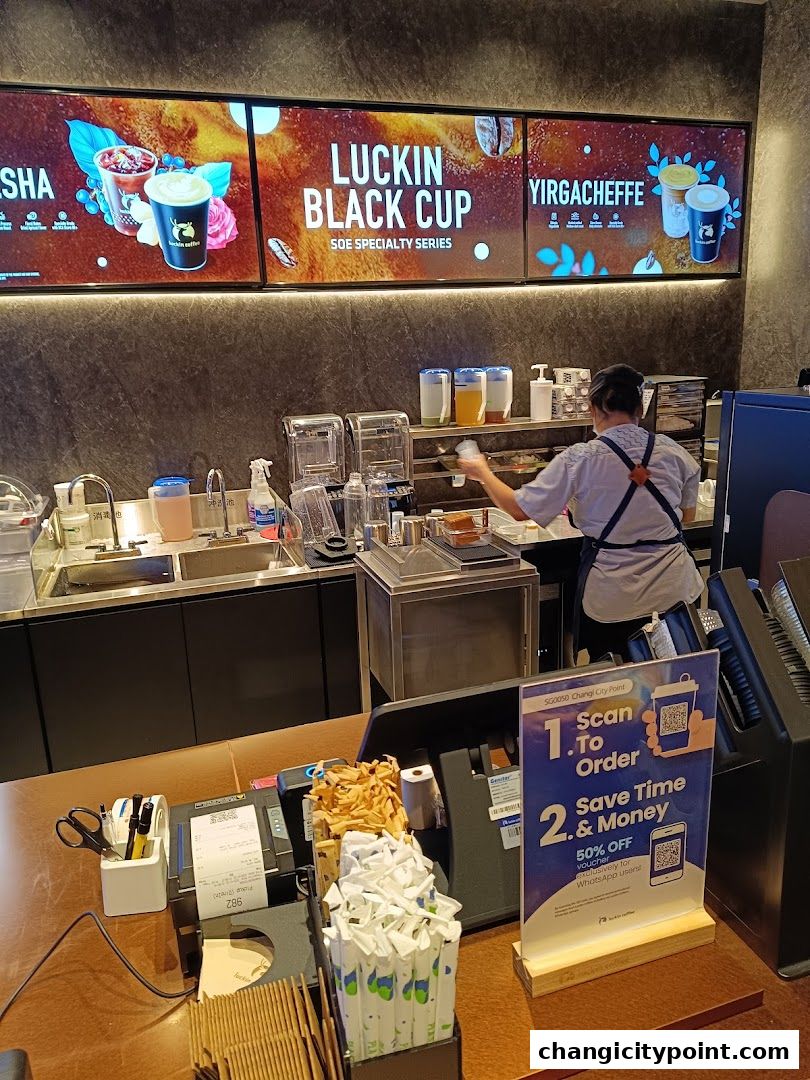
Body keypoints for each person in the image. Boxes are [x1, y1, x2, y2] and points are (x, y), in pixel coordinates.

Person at [457, 364, 704, 660]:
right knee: (679, 683)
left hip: (615, 600)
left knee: (618, 693)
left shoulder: (581, 459)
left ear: (593, 408)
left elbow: (519, 509)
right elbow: (686, 517)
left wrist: (482, 471)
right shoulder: (675, 452)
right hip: (676, 593)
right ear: (640, 407)